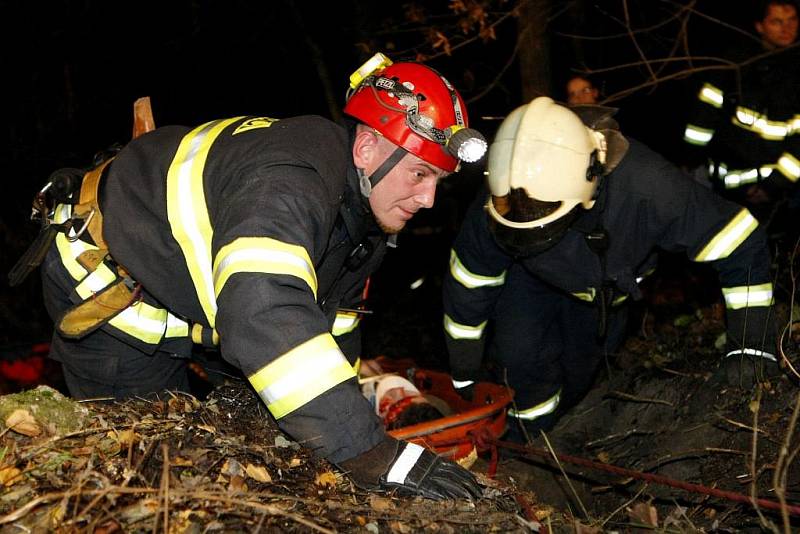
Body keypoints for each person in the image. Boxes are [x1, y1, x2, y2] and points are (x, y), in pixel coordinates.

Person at [26, 53, 488, 499]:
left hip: (200, 303)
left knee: (266, 443)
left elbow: (334, 328)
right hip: (116, 289)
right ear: (367, 148)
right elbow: (263, 311)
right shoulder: (291, 179)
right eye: (420, 174)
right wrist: (369, 452)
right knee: (153, 464)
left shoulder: (362, 213)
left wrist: (344, 425)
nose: (428, 198)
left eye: (436, 182)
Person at [443, 97, 780, 439]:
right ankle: (525, 440)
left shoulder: (649, 187)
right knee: (520, 356)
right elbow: (468, 284)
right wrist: (464, 373)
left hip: (602, 295)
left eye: (539, 212)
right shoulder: (498, 195)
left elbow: (739, 241)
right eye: (513, 210)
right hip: (529, 280)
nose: (524, 215)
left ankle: (560, 440)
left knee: (579, 376)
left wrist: (751, 345)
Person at [682, 0, 800, 227]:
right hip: (717, 182)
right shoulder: (735, 64)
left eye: (792, 20)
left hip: (774, 192)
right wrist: (689, 160)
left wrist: (774, 185)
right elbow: (703, 116)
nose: (787, 28)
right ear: (760, 26)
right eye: (777, 21)